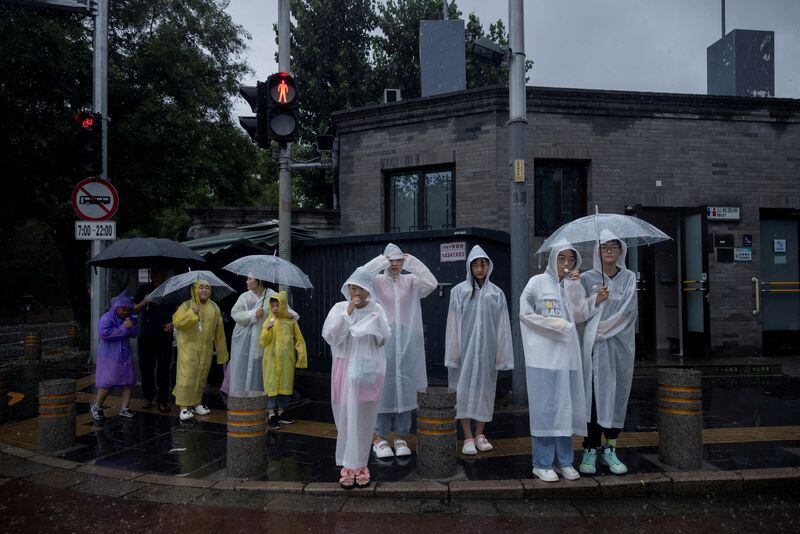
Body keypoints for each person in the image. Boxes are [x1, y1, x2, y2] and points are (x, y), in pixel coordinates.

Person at [519, 242, 588, 482]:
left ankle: (565, 461)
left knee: (564, 410)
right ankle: (542, 462)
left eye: (571, 259)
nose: (567, 264)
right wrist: (558, 326)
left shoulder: (571, 285)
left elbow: (580, 315)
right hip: (543, 359)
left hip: (567, 359)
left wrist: (576, 287)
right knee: (545, 411)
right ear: (552, 260)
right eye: (562, 259)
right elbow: (525, 314)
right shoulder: (536, 283)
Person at [571, 230, 638, 476]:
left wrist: (600, 331)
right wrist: (590, 296)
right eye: (604, 247)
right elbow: (577, 313)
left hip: (618, 347)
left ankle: (610, 448)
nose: (608, 251)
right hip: (591, 350)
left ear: (621, 251)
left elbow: (628, 312)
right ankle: (590, 448)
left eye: (613, 247)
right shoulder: (587, 278)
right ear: (597, 251)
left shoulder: (629, 278)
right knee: (593, 399)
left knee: (616, 394)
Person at [363, 243, 437, 459]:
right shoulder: (376, 282)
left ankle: (401, 435)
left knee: (405, 384)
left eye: (398, 261)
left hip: (406, 339)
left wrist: (412, 262)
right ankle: (380, 437)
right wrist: (379, 261)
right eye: (391, 260)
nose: (395, 265)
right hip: (383, 338)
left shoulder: (411, 281)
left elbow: (431, 283)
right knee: (382, 383)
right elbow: (358, 277)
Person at [322, 267, 391, 489]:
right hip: (344, 370)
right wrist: (347, 315)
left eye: (360, 287)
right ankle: (347, 466)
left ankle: (361, 465)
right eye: (352, 287)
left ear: (368, 289)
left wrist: (373, 327)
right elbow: (331, 336)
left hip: (367, 372)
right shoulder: (340, 308)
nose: (356, 291)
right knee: (345, 419)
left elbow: (384, 339)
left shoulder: (377, 310)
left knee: (363, 419)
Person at [445, 245, 513, 455]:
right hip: (465, 351)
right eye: (475, 264)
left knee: (485, 391)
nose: (480, 268)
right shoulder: (459, 291)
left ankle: (480, 434)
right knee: (463, 391)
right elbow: (453, 322)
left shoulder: (496, 293)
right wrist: (454, 349)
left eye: (483, 264)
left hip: (487, 351)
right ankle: (467, 436)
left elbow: (502, 326)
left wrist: (501, 352)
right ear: (470, 267)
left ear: (488, 266)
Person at [172, 279, 229, 421]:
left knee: (201, 377)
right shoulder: (187, 305)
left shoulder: (214, 307)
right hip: (188, 349)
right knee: (187, 377)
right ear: (194, 289)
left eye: (207, 288)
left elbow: (219, 331)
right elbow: (177, 322)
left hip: (206, 350)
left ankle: (197, 403)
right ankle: (184, 407)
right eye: (201, 287)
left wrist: (222, 352)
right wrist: (191, 312)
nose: (204, 290)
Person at [259, 290, 307, 429]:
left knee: (284, 389)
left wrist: (301, 358)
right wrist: (267, 330)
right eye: (272, 306)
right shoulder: (269, 321)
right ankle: (271, 414)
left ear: (284, 306)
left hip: (286, 362)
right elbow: (263, 342)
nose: (274, 308)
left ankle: (281, 412)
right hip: (271, 362)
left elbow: (299, 340)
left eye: (277, 305)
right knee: (271, 389)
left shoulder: (291, 322)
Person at [91, 290, 139, 422]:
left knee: (128, 382)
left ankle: (125, 408)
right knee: (107, 383)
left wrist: (130, 327)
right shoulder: (106, 318)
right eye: (122, 309)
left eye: (127, 309)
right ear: (115, 307)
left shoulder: (127, 318)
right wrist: (124, 328)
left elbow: (135, 332)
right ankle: (97, 406)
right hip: (110, 357)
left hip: (124, 356)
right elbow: (105, 334)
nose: (125, 312)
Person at [134, 268, 174, 413]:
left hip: (164, 335)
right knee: (146, 367)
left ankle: (163, 400)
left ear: (164, 274)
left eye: (158, 272)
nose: (155, 275)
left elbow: (180, 311)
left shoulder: (170, 290)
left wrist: (173, 323)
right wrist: (145, 301)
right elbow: (134, 309)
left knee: (164, 368)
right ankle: (148, 396)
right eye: (153, 273)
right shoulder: (144, 289)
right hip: (146, 334)